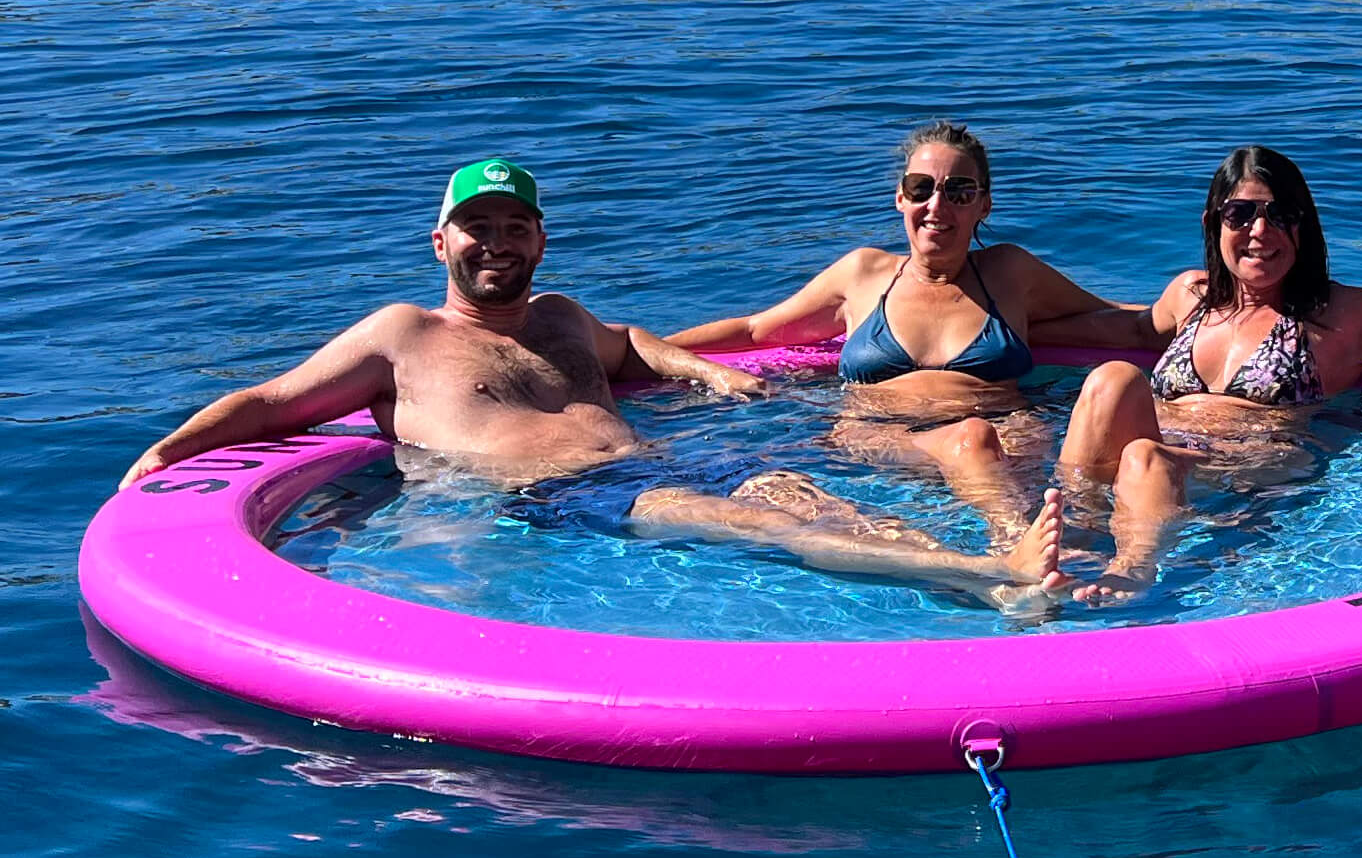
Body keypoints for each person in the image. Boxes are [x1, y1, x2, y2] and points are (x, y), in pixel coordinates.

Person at [120, 157, 1070, 610]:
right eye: (478, 227)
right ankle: (996, 575)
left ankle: (978, 591)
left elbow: (634, 346)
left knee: (798, 494)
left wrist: (706, 375)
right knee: (765, 522)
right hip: (547, 498)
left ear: (539, 238)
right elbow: (274, 404)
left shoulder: (565, 317)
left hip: (650, 464)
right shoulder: (400, 335)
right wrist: (164, 454)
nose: (498, 242)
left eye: (515, 227)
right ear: (441, 240)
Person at [1047, 144, 1362, 604]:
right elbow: (1131, 329)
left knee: (1144, 457)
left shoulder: (1341, 314)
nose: (1259, 232)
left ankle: (1133, 570)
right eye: (1240, 214)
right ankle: (1072, 538)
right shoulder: (1191, 295)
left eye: (1280, 215)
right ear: (1214, 222)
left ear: (1304, 226)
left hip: (1244, 469)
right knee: (1111, 378)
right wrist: (1006, 323)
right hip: (1158, 451)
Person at [662, 120, 1122, 549]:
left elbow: (1113, 316)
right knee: (970, 442)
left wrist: (1189, 301)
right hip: (877, 433)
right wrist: (645, 348)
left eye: (958, 191)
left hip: (1006, 429)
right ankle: (1018, 548)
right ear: (900, 197)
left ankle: (1029, 555)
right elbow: (754, 330)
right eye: (921, 188)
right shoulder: (863, 274)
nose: (936, 206)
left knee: (988, 444)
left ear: (984, 204)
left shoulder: (1010, 273)